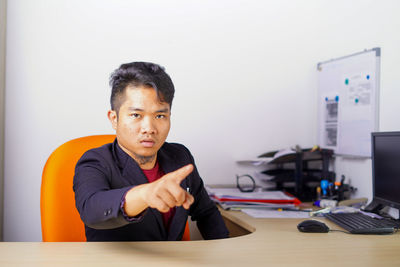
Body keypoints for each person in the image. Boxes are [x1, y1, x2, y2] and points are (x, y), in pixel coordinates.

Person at [73, 62, 229, 241]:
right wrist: (145, 194)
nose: (149, 128)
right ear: (114, 119)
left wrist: (225, 251)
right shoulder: (95, 161)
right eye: (136, 115)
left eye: (160, 116)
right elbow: (92, 210)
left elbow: (206, 212)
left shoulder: (179, 157)